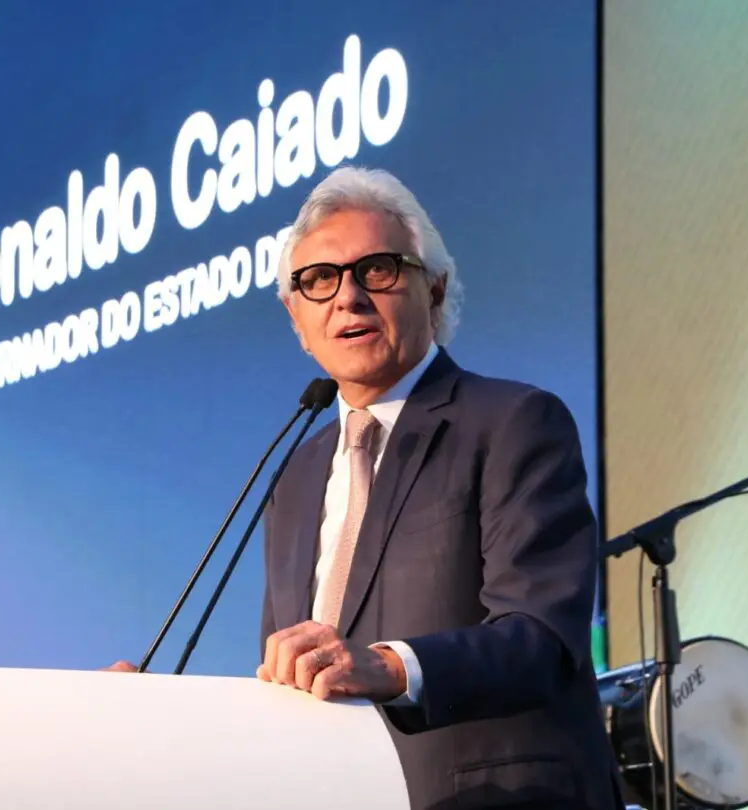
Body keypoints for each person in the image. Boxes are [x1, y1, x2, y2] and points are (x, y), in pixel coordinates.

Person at [111, 167, 625, 810]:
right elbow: (292, 683)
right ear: (297, 318)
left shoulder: (513, 422)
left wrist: (387, 665)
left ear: (434, 290)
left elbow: (542, 637)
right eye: (318, 280)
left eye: (377, 270)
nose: (347, 297)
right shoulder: (295, 476)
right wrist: (159, 714)